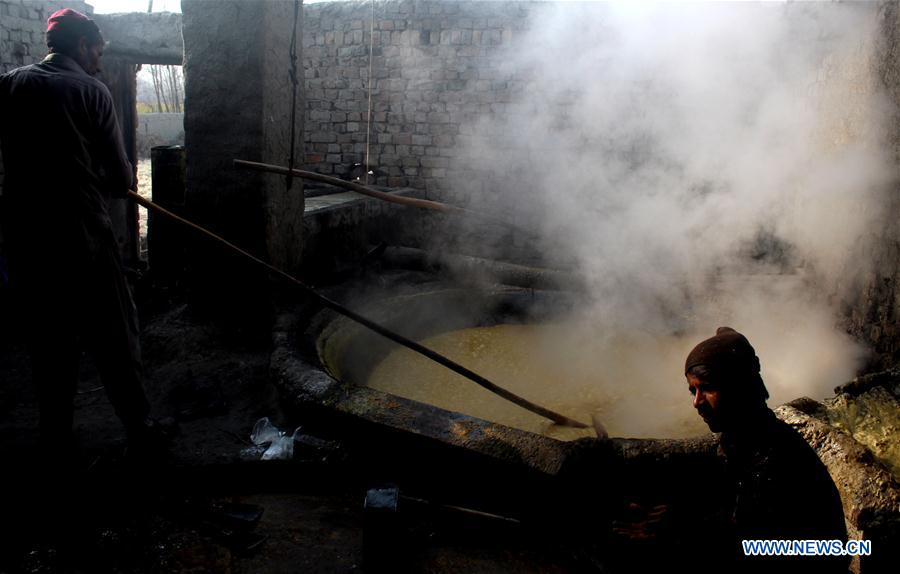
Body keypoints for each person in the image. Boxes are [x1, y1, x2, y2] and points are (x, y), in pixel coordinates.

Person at [0, 8, 165, 460]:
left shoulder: (11, 84)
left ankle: (56, 438)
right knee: (115, 333)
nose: (98, 59)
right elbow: (120, 179)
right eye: (96, 50)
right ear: (80, 45)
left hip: (27, 241)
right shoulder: (92, 91)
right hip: (83, 239)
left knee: (49, 340)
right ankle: (138, 428)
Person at [685, 326, 849, 573]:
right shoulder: (740, 439)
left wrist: (683, 532)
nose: (697, 402)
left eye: (707, 388)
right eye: (692, 390)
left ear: (737, 387)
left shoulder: (776, 459)